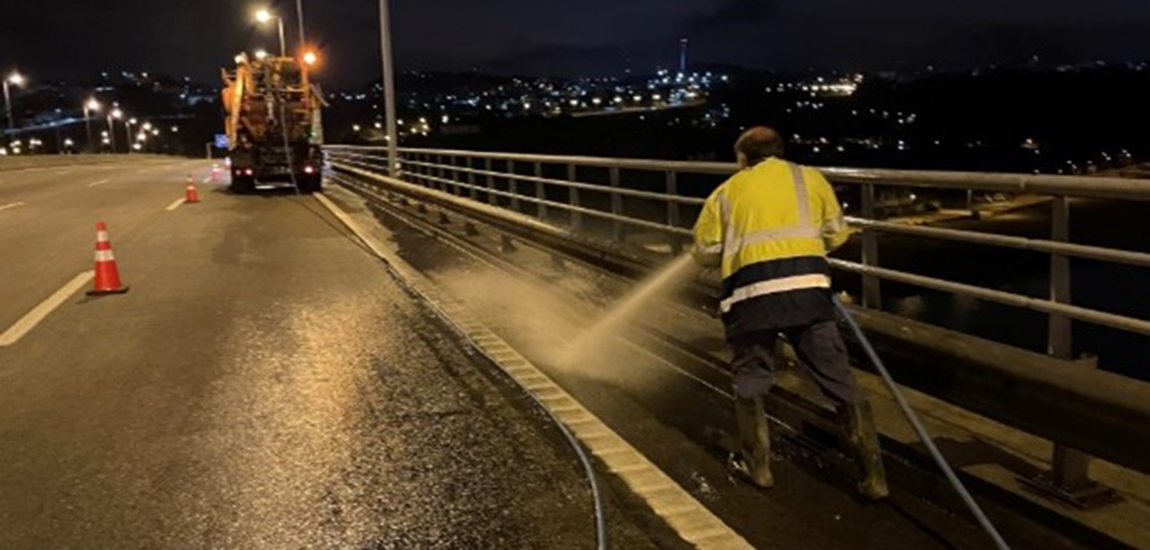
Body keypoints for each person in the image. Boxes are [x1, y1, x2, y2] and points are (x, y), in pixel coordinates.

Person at [691, 126, 888, 499]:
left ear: (745, 157)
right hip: (808, 294)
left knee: (751, 375)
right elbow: (836, 234)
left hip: (750, 299)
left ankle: (758, 467)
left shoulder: (726, 192)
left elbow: (704, 249)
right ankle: (874, 477)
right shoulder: (809, 179)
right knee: (838, 378)